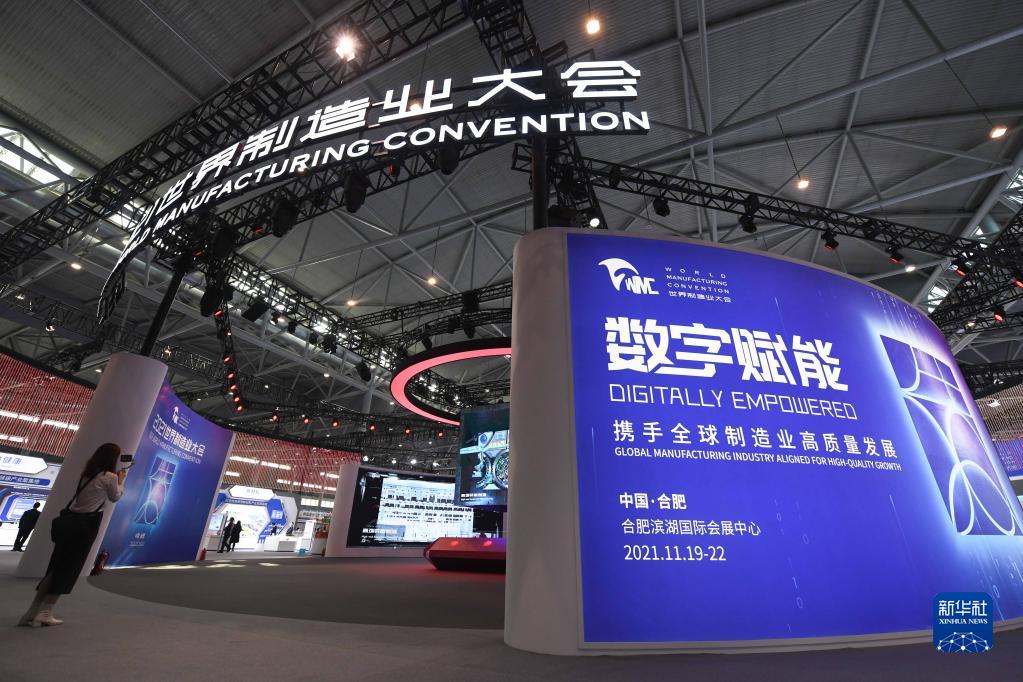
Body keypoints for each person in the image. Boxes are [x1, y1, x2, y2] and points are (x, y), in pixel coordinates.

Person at [18, 443, 126, 627]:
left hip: (70, 522)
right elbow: (114, 497)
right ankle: (46, 612)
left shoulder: (88, 474)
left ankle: (32, 611)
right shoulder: (110, 477)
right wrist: (121, 481)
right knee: (69, 569)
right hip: (86, 526)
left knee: (55, 567)